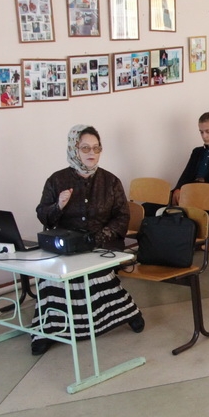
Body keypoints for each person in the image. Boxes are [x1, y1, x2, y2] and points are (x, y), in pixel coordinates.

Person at [32, 125, 144, 355]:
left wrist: (97, 238)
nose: (91, 153)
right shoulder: (57, 180)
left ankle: (124, 313)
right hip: (66, 246)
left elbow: (122, 217)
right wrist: (58, 206)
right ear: (74, 149)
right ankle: (49, 329)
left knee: (93, 275)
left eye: (96, 148)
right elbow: (44, 216)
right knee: (51, 279)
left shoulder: (110, 181)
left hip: (101, 246)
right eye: (85, 148)